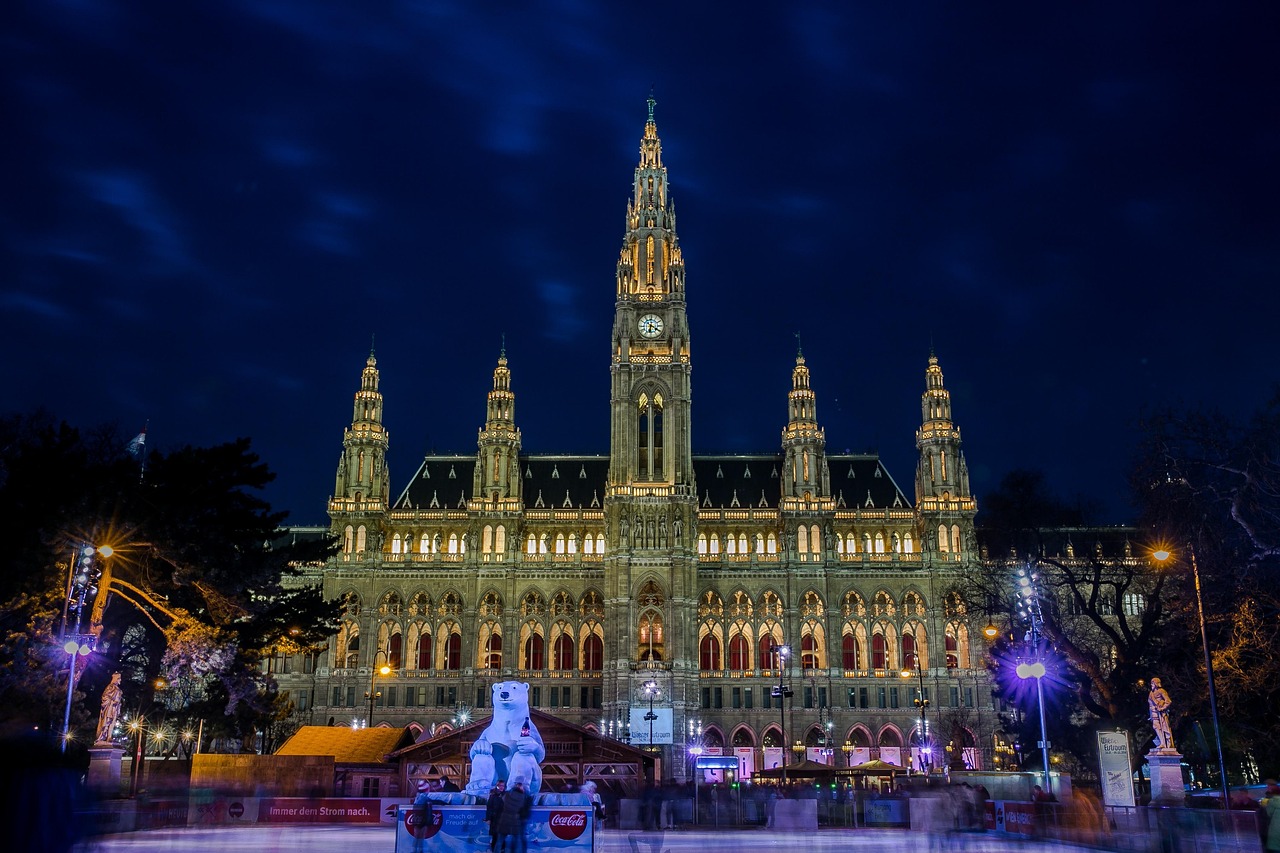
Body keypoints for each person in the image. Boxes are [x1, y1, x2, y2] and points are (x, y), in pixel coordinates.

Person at [496, 778, 531, 853]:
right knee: (517, 839)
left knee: (500, 840)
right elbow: (523, 806)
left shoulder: (507, 795)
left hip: (504, 819)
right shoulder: (522, 797)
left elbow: (502, 800)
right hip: (515, 820)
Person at [1148, 678, 1175, 752]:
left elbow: (1168, 701)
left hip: (1160, 713)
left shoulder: (1162, 691)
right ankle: (1161, 742)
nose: (1151, 685)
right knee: (1156, 727)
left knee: (1162, 727)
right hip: (1153, 712)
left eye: (1153, 683)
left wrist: (1162, 708)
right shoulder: (1151, 693)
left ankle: (1163, 743)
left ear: (1156, 684)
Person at [1262, 779, 1280, 853]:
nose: (1267, 787)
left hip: (1274, 835)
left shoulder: (1271, 801)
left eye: (1268, 786)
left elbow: (1267, 813)